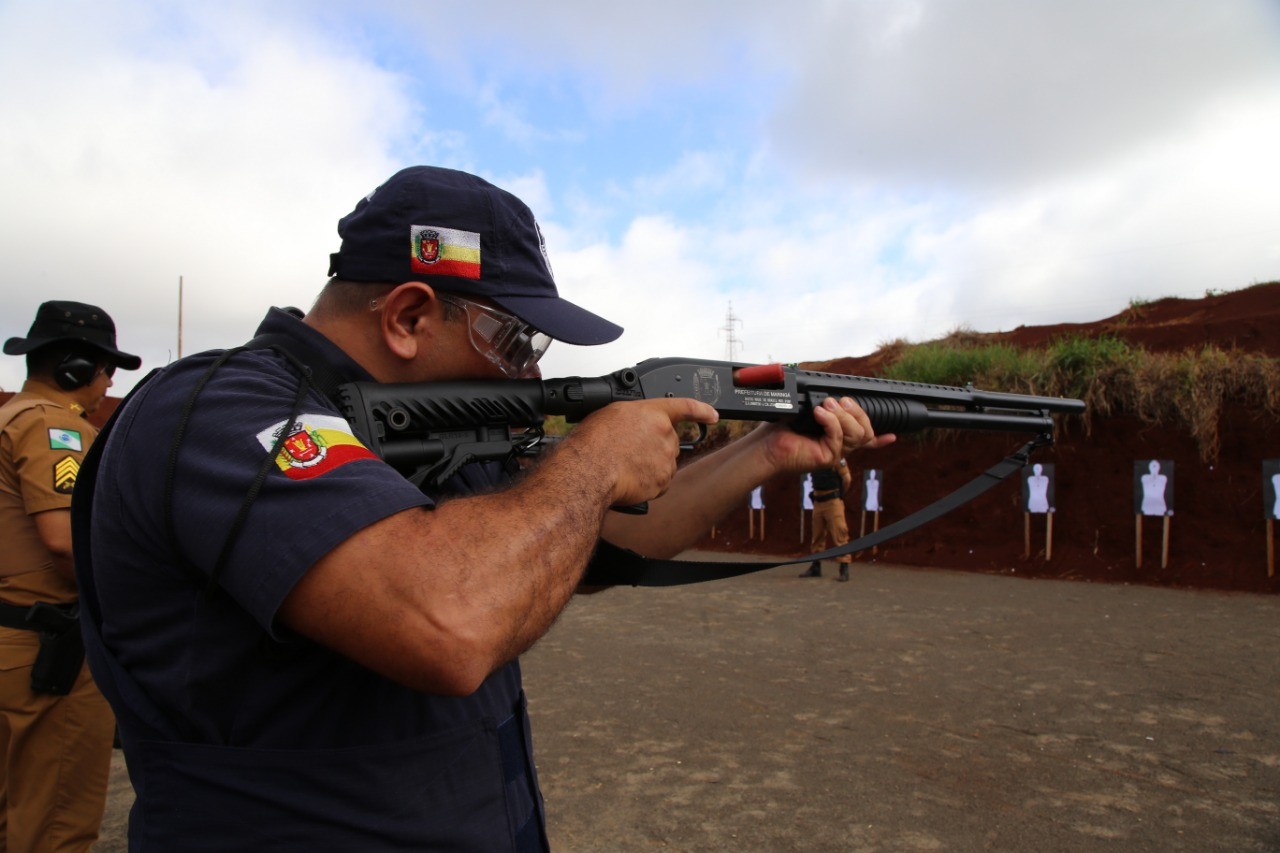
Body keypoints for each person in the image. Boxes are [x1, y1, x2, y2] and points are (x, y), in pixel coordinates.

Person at [73, 165, 892, 850]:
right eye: (514, 341)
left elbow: (601, 536)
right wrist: (594, 458)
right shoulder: (220, 410)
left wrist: (769, 453)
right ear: (408, 317)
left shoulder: (429, 435)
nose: (529, 376)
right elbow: (451, 619)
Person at [1, 300, 140, 852]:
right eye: (105, 372)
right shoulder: (54, 428)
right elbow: (65, 543)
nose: (105, 387)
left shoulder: (10, 417)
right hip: (46, 651)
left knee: (17, 812)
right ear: (75, 370)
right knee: (55, 822)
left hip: (13, 637)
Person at [798, 457, 854, 581]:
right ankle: (816, 566)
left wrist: (839, 495)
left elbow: (847, 479)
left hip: (833, 501)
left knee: (840, 534)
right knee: (817, 536)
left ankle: (844, 567)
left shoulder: (838, 459)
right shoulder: (816, 459)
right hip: (818, 501)